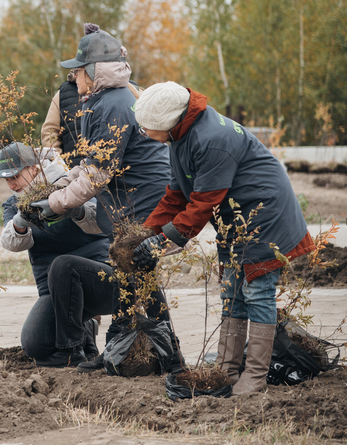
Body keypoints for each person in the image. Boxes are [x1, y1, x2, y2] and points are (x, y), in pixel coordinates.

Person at [133, 81, 316, 395]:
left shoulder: (212, 139)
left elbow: (202, 204)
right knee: (232, 291)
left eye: (146, 128)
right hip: (235, 218)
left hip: (263, 216)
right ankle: (227, 370)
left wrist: (161, 244)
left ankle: (255, 377)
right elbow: (176, 196)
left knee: (257, 291)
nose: (144, 133)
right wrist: (143, 235)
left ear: (167, 121)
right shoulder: (181, 136)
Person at [31, 27, 184, 373]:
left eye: (78, 69)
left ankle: (166, 359)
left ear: (95, 72)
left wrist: (56, 205)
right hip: (129, 207)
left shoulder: (113, 104)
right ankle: (137, 353)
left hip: (141, 207)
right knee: (134, 277)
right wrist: (57, 192)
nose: (73, 76)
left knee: (137, 274)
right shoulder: (104, 100)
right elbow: (87, 166)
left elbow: (97, 174)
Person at [0, 142, 114, 367]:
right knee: (35, 344)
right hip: (58, 296)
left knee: (63, 265)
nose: (11, 184)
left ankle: (73, 351)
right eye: (6, 179)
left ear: (35, 169)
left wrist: (76, 209)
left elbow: (102, 222)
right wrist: (20, 223)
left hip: (99, 280)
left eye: (15, 176)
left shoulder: (72, 186)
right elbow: (10, 242)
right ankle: (84, 330)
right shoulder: (14, 205)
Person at [40, 69, 82, 167]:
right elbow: (50, 131)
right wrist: (59, 165)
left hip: (115, 177)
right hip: (71, 176)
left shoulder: (122, 88)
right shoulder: (65, 92)